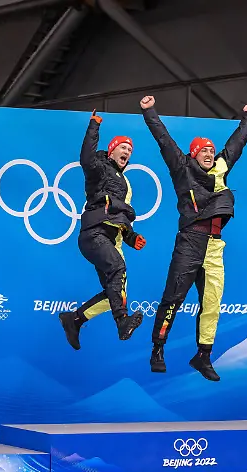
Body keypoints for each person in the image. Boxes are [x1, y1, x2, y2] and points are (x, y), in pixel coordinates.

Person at [140, 95, 247, 381]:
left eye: (211, 150)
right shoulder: (182, 168)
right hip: (190, 241)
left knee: (213, 303)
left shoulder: (221, 168)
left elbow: (236, 145)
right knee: (174, 298)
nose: (209, 153)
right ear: (193, 154)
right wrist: (149, 111)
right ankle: (158, 348)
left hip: (215, 246)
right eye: (203, 150)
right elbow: (164, 140)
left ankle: (203, 356)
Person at [59, 109, 146, 350]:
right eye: (123, 147)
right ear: (112, 150)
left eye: (130, 150)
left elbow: (121, 219)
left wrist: (132, 237)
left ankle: (74, 319)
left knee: (114, 292)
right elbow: (86, 158)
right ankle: (122, 323)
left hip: (110, 237)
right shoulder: (99, 169)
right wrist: (93, 126)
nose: (127, 152)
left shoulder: (125, 184)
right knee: (118, 268)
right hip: (94, 234)